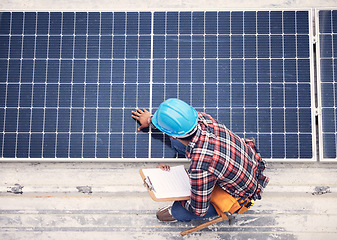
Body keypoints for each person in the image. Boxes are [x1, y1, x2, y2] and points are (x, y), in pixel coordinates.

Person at [132, 98, 269, 222]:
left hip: (242, 193)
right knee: (178, 144)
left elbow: (198, 209)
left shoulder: (201, 167)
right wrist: (150, 119)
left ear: (171, 135)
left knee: (178, 211)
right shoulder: (202, 118)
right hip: (247, 163)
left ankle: (180, 208)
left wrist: (175, 195)